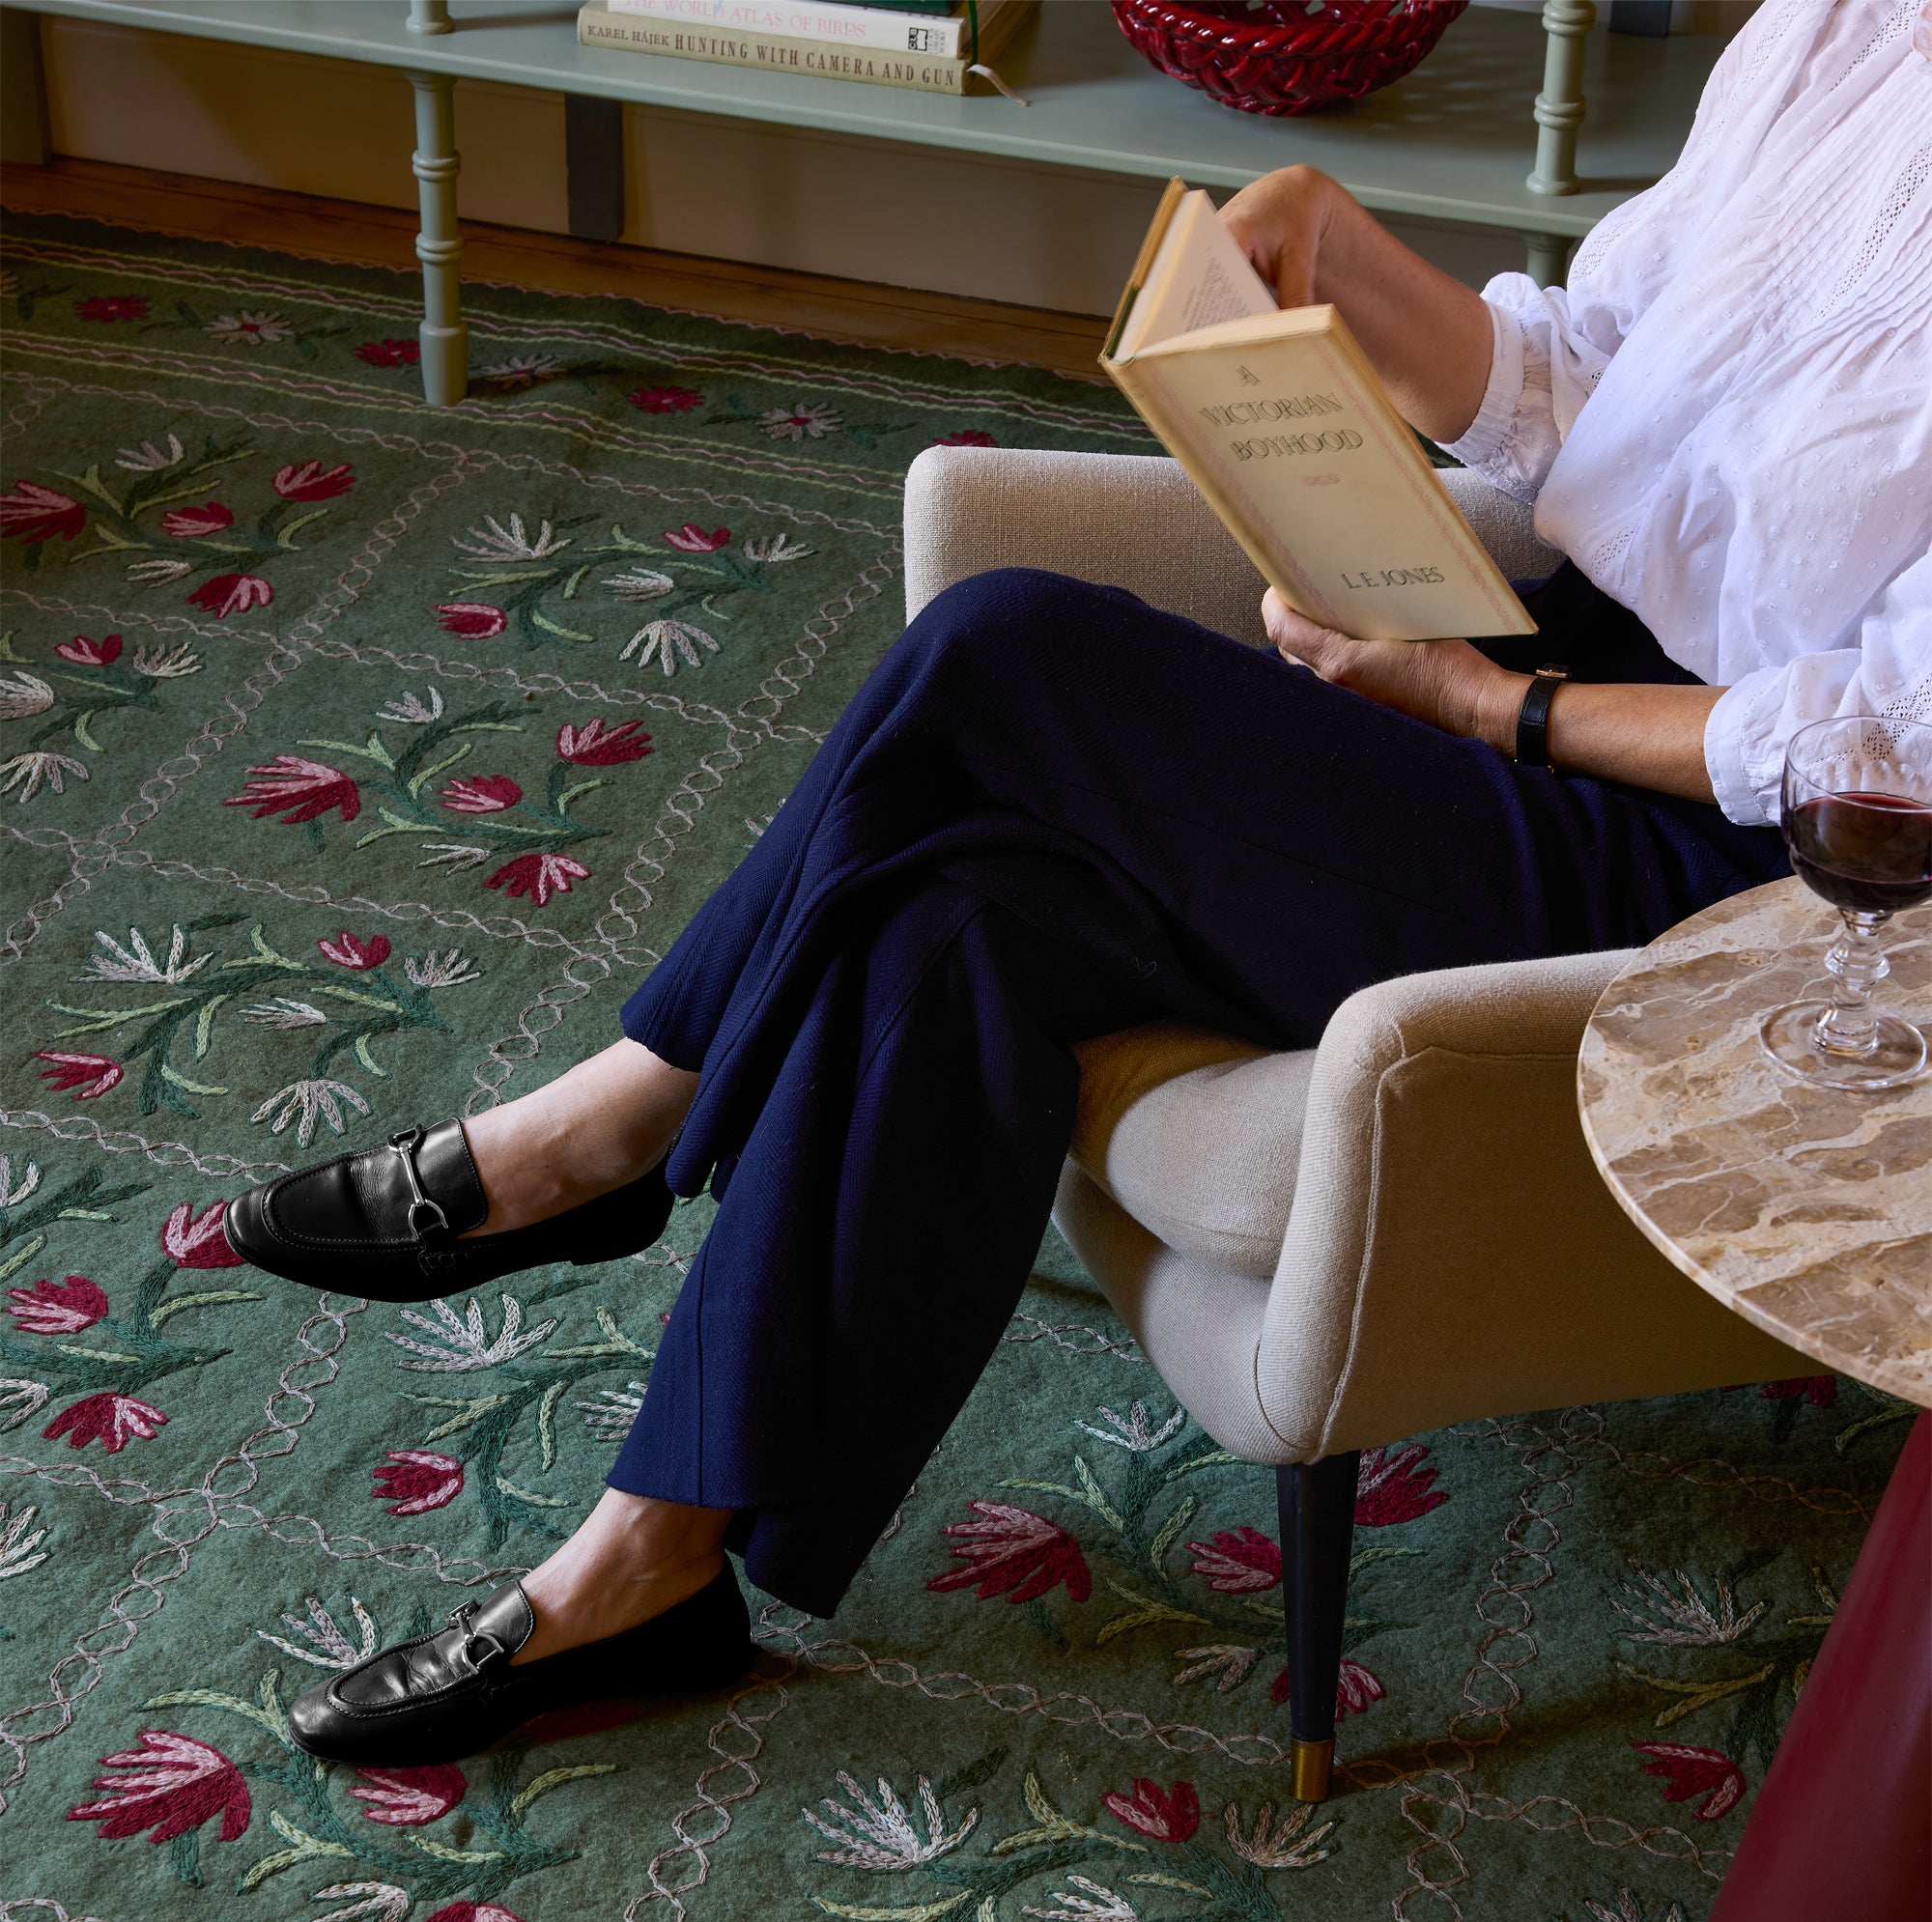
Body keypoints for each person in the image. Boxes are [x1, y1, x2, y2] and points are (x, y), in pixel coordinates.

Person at [226, 0, 1930, 1768]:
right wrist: (1352, 271)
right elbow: (1593, 376)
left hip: (1754, 868)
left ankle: (618, 1126)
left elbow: (1900, 747)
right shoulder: (1847, 27)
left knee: (1009, 650)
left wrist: (1496, 706)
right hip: (1548, 663)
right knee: (947, 906)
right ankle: (655, 1561)